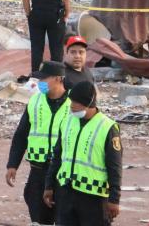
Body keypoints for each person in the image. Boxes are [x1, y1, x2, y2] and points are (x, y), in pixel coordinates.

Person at [45, 81, 122, 226]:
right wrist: (49, 186)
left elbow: (115, 167)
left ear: (89, 103)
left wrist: (114, 199)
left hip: (93, 197)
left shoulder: (107, 128)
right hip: (66, 191)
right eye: (71, 101)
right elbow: (57, 157)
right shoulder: (67, 122)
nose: (72, 106)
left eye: (76, 102)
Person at [6, 61, 71, 225]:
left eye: (44, 79)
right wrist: (12, 164)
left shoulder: (74, 104)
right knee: (39, 215)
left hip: (63, 172)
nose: (39, 83)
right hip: (38, 169)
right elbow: (22, 134)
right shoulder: (35, 102)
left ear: (58, 79)